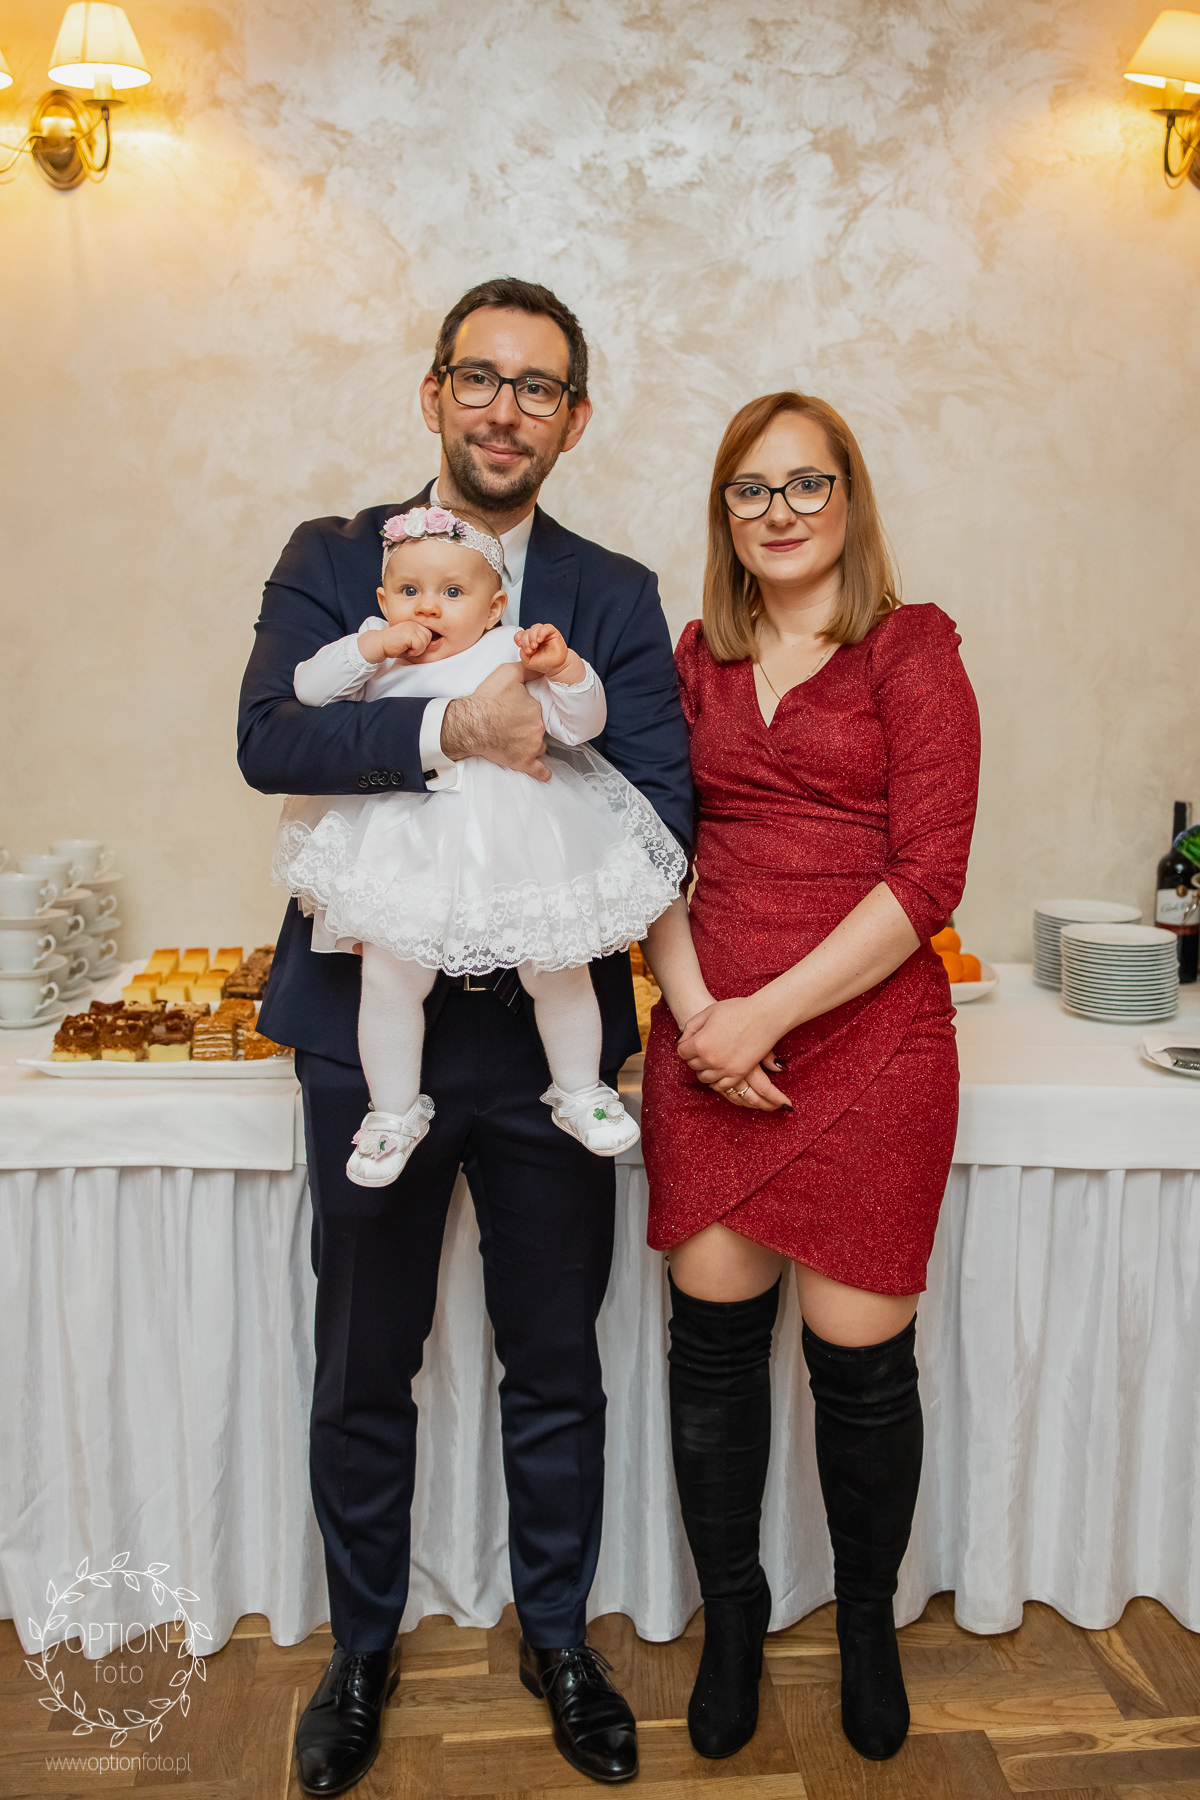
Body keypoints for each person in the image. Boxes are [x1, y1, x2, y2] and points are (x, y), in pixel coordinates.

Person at [238, 278, 692, 1791]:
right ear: (432, 394)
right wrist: (451, 729)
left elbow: (664, 800)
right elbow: (272, 738)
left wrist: (545, 728)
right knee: (365, 1360)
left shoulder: (611, 594)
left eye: (539, 387)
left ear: (576, 419)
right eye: (481, 378)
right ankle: (361, 1653)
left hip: (549, 1037)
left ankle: (558, 1641)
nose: (507, 409)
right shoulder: (335, 559)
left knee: (556, 1359)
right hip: (370, 1027)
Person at [640, 391, 980, 1764]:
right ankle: (732, 1624)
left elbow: (929, 876)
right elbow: (642, 849)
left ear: (850, 498)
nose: (777, 512)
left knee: (864, 1371)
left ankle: (865, 1627)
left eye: (805, 484)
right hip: (705, 1037)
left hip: (871, 1046)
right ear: (723, 512)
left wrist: (763, 1017)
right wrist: (697, 1017)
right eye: (750, 489)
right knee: (715, 1358)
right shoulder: (692, 660)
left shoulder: (912, 648)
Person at [274, 502, 683, 1180]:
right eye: (409, 590)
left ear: (493, 609)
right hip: (409, 847)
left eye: (452, 592)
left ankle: (580, 1089)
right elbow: (307, 692)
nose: (428, 607)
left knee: (556, 966)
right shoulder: (375, 653)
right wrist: (370, 647)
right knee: (389, 977)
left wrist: (566, 669)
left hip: (517, 845)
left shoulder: (512, 650)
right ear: (383, 599)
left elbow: (581, 726)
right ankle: (392, 1112)